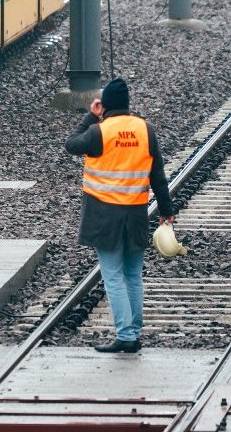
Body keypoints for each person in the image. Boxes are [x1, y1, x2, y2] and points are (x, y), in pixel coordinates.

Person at [64, 77, 177, 354]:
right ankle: (134, 332)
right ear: (126, 104)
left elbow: (71, 144)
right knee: (133, 275)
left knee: (113, 276)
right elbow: (158, 177)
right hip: (136, 215)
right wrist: (166, 211)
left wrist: (90, 116)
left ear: (105, 105)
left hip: (105, 216)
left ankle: (126, 335)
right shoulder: (145, 130)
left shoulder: (99, 132)